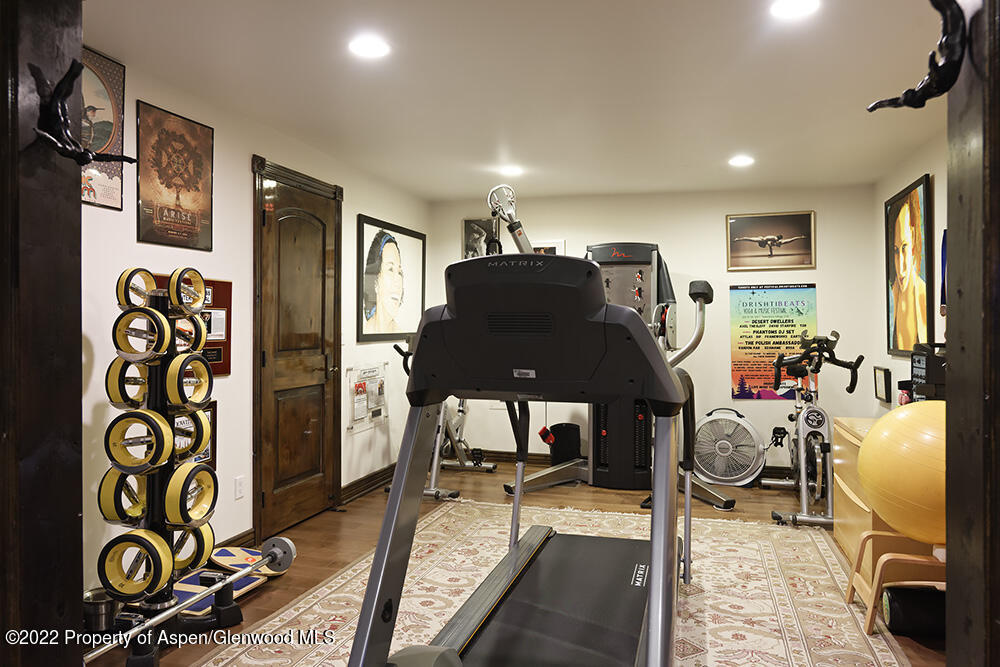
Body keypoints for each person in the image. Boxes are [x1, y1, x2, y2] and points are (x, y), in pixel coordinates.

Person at [889, 189, 927, 350]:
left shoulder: (923, 297)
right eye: (896, 250)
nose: (901, 267)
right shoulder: (893, 294)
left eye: (905, 247)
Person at [363, 230, 404, 333]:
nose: (397, 282)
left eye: (399, 272)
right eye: (390, 269)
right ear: (375, 281)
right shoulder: (366, 330)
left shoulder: (401, 332)